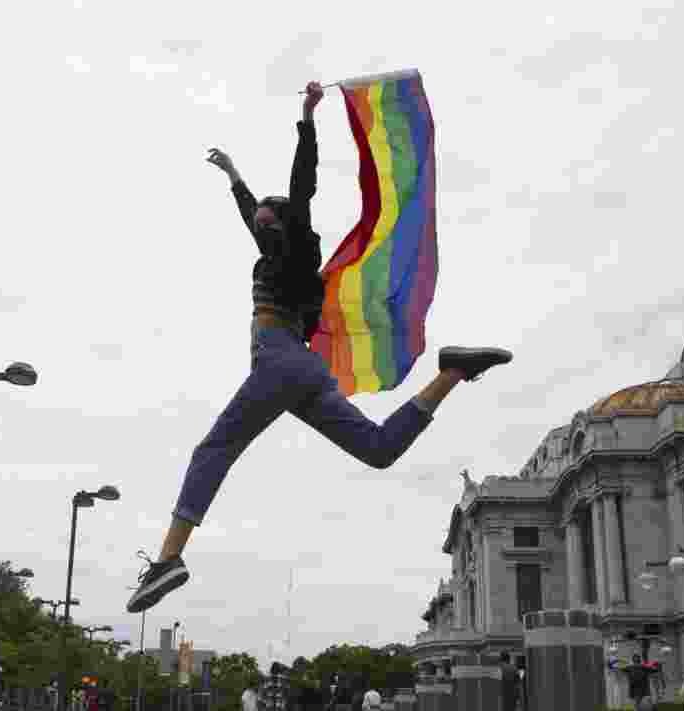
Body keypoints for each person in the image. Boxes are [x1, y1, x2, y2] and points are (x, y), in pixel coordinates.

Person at [126, 80, 513, 614]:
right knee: (378, 450)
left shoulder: (294, 249)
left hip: (282, 361)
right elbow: (251, 214)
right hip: (299, 372)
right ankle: (451, 372)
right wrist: (236, 177)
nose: (258, 212)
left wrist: (307, 117)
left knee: (213, 450)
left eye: (266, 209)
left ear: (281, 220)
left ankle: (169, 560)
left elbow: (300, 186)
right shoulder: (277, 252)